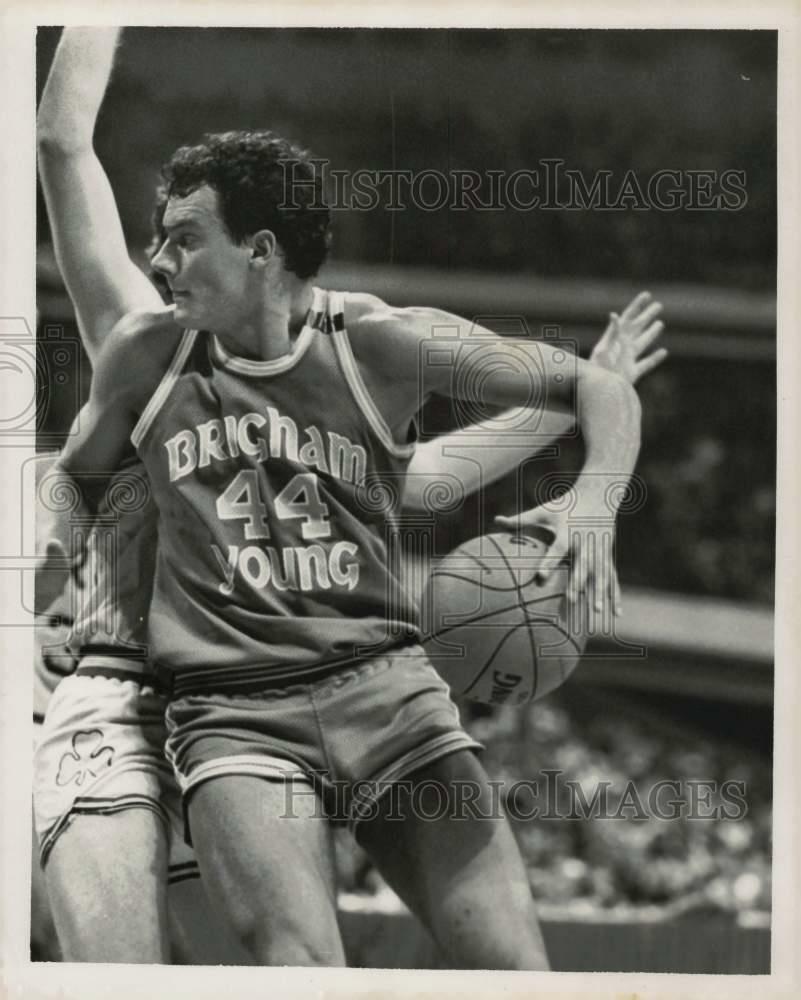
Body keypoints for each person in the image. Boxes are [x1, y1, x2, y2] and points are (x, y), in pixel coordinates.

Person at [37, 28, 664, 966]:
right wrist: (38, 594)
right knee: (190, 966)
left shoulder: (366, 350)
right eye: (155, 240)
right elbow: (60, 142)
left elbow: (420, 481)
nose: (158, 259)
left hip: (376, 684)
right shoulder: (141, 342)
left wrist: (581, 462)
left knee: (517, 970)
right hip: (168, 697)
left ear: (259, 250)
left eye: (179, 238)